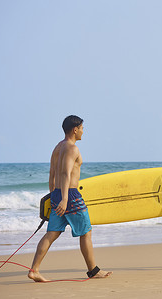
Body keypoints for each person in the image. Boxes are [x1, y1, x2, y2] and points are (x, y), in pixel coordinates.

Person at [28, 115, 112, 282]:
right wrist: (65, 199)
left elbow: (52, 174)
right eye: (82, 128)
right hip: (70, 196)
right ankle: (93, 270)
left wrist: (54, 196)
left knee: (51, 233)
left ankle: (34, 270)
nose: (83, 131)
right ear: (75, 129)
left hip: (57, 194)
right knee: (86, 232)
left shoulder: (57, 147)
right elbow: (66, 173)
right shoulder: (72, 148)